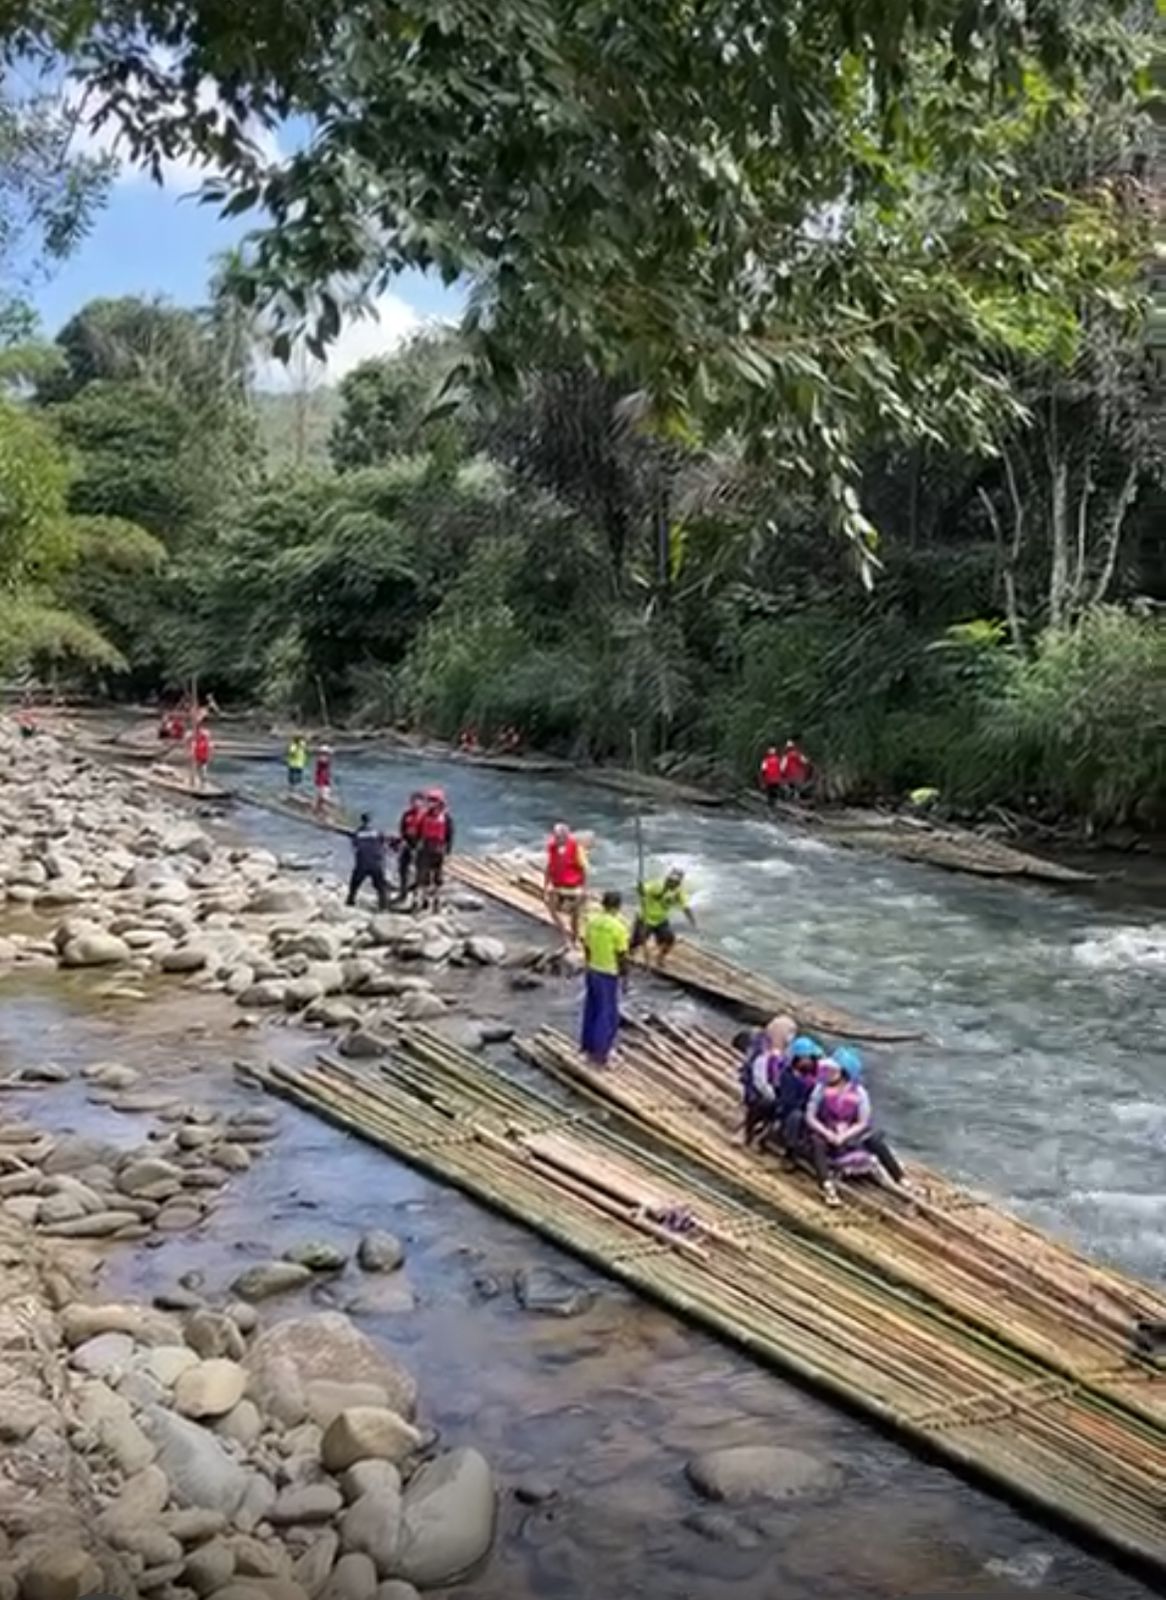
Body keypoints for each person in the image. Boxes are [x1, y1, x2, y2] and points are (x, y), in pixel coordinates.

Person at [804, 1047, 906, 1206]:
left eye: (834, 1071)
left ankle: (900, 1178)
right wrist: (827, 1133)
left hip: (850, 1136)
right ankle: (826, 1185)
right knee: (817, 1143)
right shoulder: (820, 1089)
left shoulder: (859, 1093)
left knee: (875, 1140)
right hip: (827, 1132)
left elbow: (862, 1121)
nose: (829, 1073)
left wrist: (844, 1136)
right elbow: (810, 1116)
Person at [580, 890, 630, 1067]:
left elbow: (586, 946)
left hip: (592, 970)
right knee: (607, 1015)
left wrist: (588, 963)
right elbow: (622, 956)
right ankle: (602, 1054)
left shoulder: (592, 922)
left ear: (603, 904)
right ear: (618, 906)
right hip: (608, 973)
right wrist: (625, 979)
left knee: (591, 1009)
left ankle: (587, 1047)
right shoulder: (619, 927)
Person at [739, 1014, 796, 1146]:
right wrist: (773, 1094)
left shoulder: (789, 1051)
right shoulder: (761, 1050)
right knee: (763, 1104)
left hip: (780, 1091)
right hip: (759, 1091)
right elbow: (758, 1079)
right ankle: (749, 1131)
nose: (790, 1037)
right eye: (789, 1033)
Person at [632, 868, 695, 970]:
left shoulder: (678, 891)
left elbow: (685, 906)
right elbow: (643, 890)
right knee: (637, 941)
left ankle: (660, 958)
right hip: (645, 918)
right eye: (671, 880)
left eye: (676, 881)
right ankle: (631, 952)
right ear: (668, 878)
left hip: (661, 920)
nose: (673, 883)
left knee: (669, 939)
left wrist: (692, 920)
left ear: (679, 882)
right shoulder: (657, 885)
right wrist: (640, 889)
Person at [544, 822, 589, 946]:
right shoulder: (552, 847)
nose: (557, 840)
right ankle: (564, 934)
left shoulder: (575, 848)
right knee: (551, 906)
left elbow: (584, 869)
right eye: (556, 837)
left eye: (560, 837)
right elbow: (549, 866)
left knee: (575, 914)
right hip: (558, 885)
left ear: (566, 836)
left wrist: (584, 888)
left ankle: (575, 938)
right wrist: (546, 885)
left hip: (574, 886)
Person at [415, 788, 454, 912]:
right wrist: (416, 845)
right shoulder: (424, 816)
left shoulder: (446, 818)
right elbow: (418, 832)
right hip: (426, 847)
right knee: (424, 875)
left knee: (438, 877)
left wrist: (448, 851)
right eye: (429, 800)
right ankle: (424, 899)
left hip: (439, 848)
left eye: (433, 800)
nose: (430, 803)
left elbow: (450, 835)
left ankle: (437, 900)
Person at [346, 813, 391, 911]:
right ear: (371, 822)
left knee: (355, 883)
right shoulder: (378, 832)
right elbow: (385, 845)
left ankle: (350, 900)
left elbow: (354, 848)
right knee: (381, 886)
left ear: (362, 821)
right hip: (376, 862)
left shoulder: (358, 833)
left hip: (363, 862)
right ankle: (384, 906)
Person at [396, 790, 426, 902]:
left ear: (422, 803)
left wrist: (419, 845)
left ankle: (417, 896)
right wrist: (403, 840)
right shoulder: (407, 814)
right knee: (403, 869)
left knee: (420, 871)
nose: (415, 804)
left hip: (419, 845)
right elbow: (402, 828)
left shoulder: (424, 816)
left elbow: (425, 832)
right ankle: (402, 894)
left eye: (418, 801)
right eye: (413, 801)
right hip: (407, 843)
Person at [191, 722, 213, 789]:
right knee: (197, 769)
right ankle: (194, 781)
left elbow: (210, 748)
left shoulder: (205, 739)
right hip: (198, 756)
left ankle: (201, 784)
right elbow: (193, 747)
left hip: (203, 756)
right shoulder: (197, 738)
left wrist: (210, 756)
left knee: (203, 770)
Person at [313, 743, 333, 814]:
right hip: (321, 781)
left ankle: (318, 811)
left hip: (325, 781)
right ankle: (318, 812)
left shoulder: (325, 760)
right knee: (322, 798)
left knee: (323, 798)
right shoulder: (321, 760)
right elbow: (323, 764)